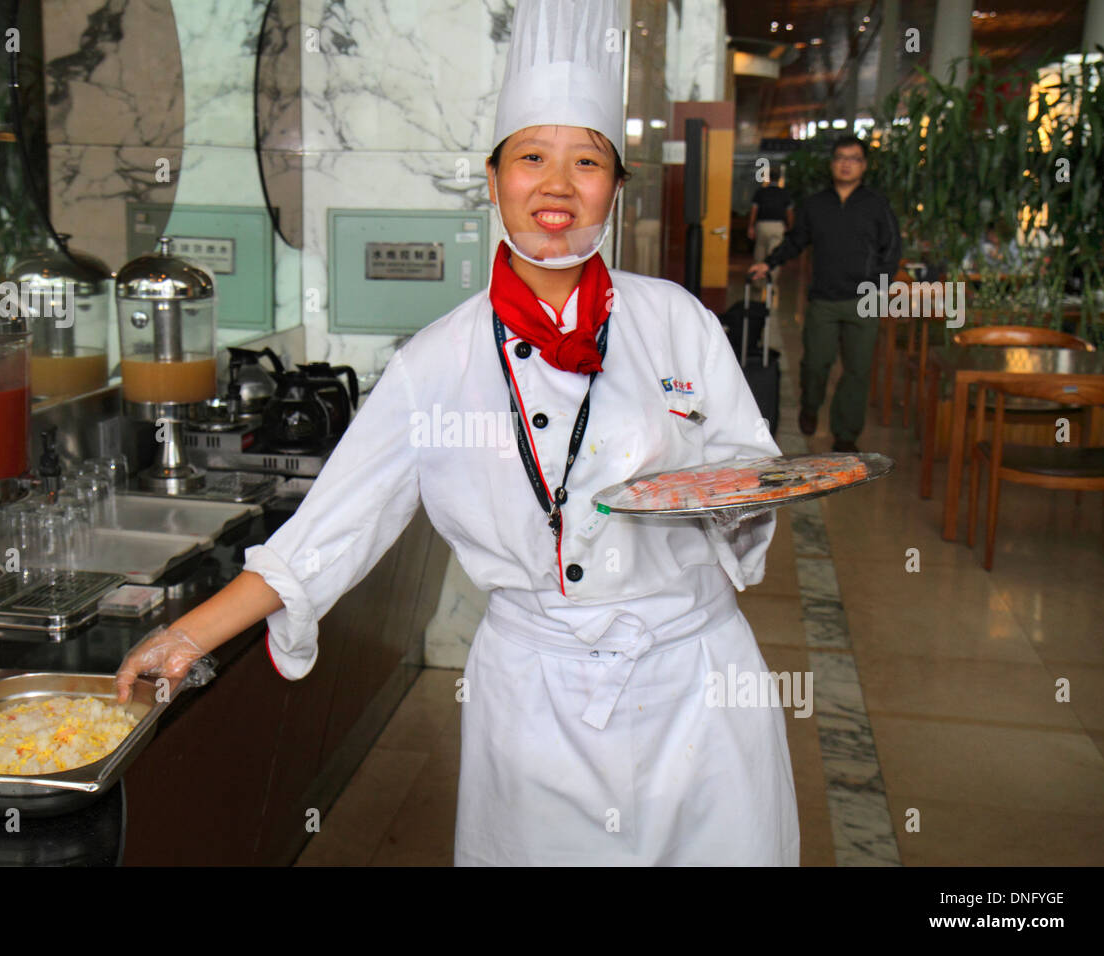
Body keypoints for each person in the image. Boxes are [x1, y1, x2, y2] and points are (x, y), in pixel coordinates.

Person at [115, 0, 799, 866]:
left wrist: (731, 500)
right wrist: (185, 637)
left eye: (586, 161)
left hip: (697, 681)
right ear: (492, 177)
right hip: (535, 698)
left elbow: (749, 468)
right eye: (532, 158)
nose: (557, 186)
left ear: (615, 187)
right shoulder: (435, 363)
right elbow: (327, 531)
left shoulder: (678, 324)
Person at [748, 136, 901, 452]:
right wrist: (768, 263)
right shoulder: (815, 205)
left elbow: (892, 248)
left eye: (854, 158)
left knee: (857, 372)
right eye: (841, 157)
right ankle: (810, 405)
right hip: (824, 301)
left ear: (864, 165)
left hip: (863, 301)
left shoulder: (876, 205)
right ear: (832, 164)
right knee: (816, 365)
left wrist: (879, 285)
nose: (847, 163)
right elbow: (795, 241)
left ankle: (846, 435)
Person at [746, 165, 793, 288]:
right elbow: (789, 213)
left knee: (759, 253)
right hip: (778, 226)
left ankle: (756, 283)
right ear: (779, 178)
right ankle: (770, 283)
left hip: (762, 225)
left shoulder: (760, 192)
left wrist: (751, 226)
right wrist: (790, 227)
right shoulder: (785, 193)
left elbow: (754, 211)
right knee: (774, 255)